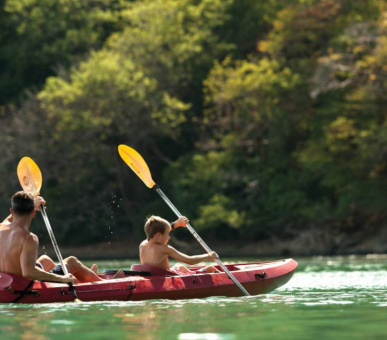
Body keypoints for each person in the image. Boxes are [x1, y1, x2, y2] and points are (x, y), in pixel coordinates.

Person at [0, 191, 123, 283]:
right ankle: (103, 283)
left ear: (11, 211)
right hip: (24, 286)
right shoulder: (29, 238)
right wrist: (62, 279)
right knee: (72, 261)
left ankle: (83, 278)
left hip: (7, 283)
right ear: (33, 213)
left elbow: (10, 218)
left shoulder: (1, 227)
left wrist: (32, 203)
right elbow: (29, 272)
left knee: (45, 260)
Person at [139, 215, 220, 275]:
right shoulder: (165, 249)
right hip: (166, 277)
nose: (169, 237)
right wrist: (209, 255)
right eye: (168, 234)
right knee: (211, 268)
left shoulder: (142, 245)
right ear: (158, 235)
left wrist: (176, 224)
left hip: (151, 276)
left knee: (179, 266)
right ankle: (202, 272)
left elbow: (161, 230)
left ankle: (191, 273)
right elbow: (190, 260)